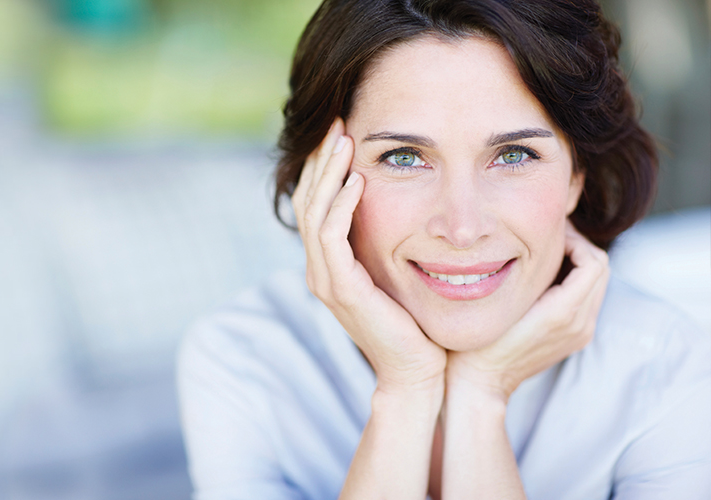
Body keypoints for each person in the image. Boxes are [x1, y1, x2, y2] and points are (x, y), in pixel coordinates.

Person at [177, 0, 711, 499]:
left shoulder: (662, 367)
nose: (462, 227)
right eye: (405, 158)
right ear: (324, 175)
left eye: (514, 155)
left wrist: (481, 397)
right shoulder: (243, 359)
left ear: (577, 175)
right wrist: (405, 390)